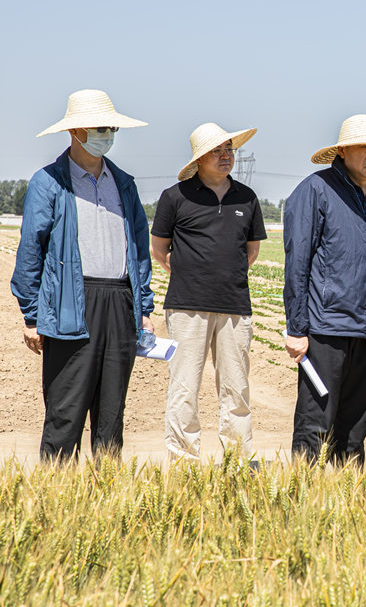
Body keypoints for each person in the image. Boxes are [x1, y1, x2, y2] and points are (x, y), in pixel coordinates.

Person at [11, 89, 154, 460]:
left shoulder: (124, 183)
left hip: (120, 302)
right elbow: (31, 251)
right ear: (75, 131)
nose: (107, 134)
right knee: (65, 410)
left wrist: (145, 309)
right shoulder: (50, 182)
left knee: (111, 414)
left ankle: (104, 500)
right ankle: (56, 500)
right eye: (100, 127)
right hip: (70, 301)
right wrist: (31, 315)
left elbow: (138, 248)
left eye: (111, 128)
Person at [284, 114, 366, 467]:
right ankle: (302, 500)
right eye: (365, 147)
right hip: (326, 329)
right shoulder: (315, 190)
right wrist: (296, 329)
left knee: (355, 429)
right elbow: (298, 264)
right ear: (342, 151)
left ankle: (348, 506)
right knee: (316, 425)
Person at [151, 123, 267, 460]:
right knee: (184, 386)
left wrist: (225, 276)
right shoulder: (175, 197)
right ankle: (184, 460)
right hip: (187, 307)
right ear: (199, 158)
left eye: (229, 149)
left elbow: (252, 250)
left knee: (236, 387)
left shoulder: (247, 197)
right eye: (217, 151)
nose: (226, 156)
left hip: (234, 305)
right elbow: (159, 250)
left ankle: (237, 459)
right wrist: (190, 274)